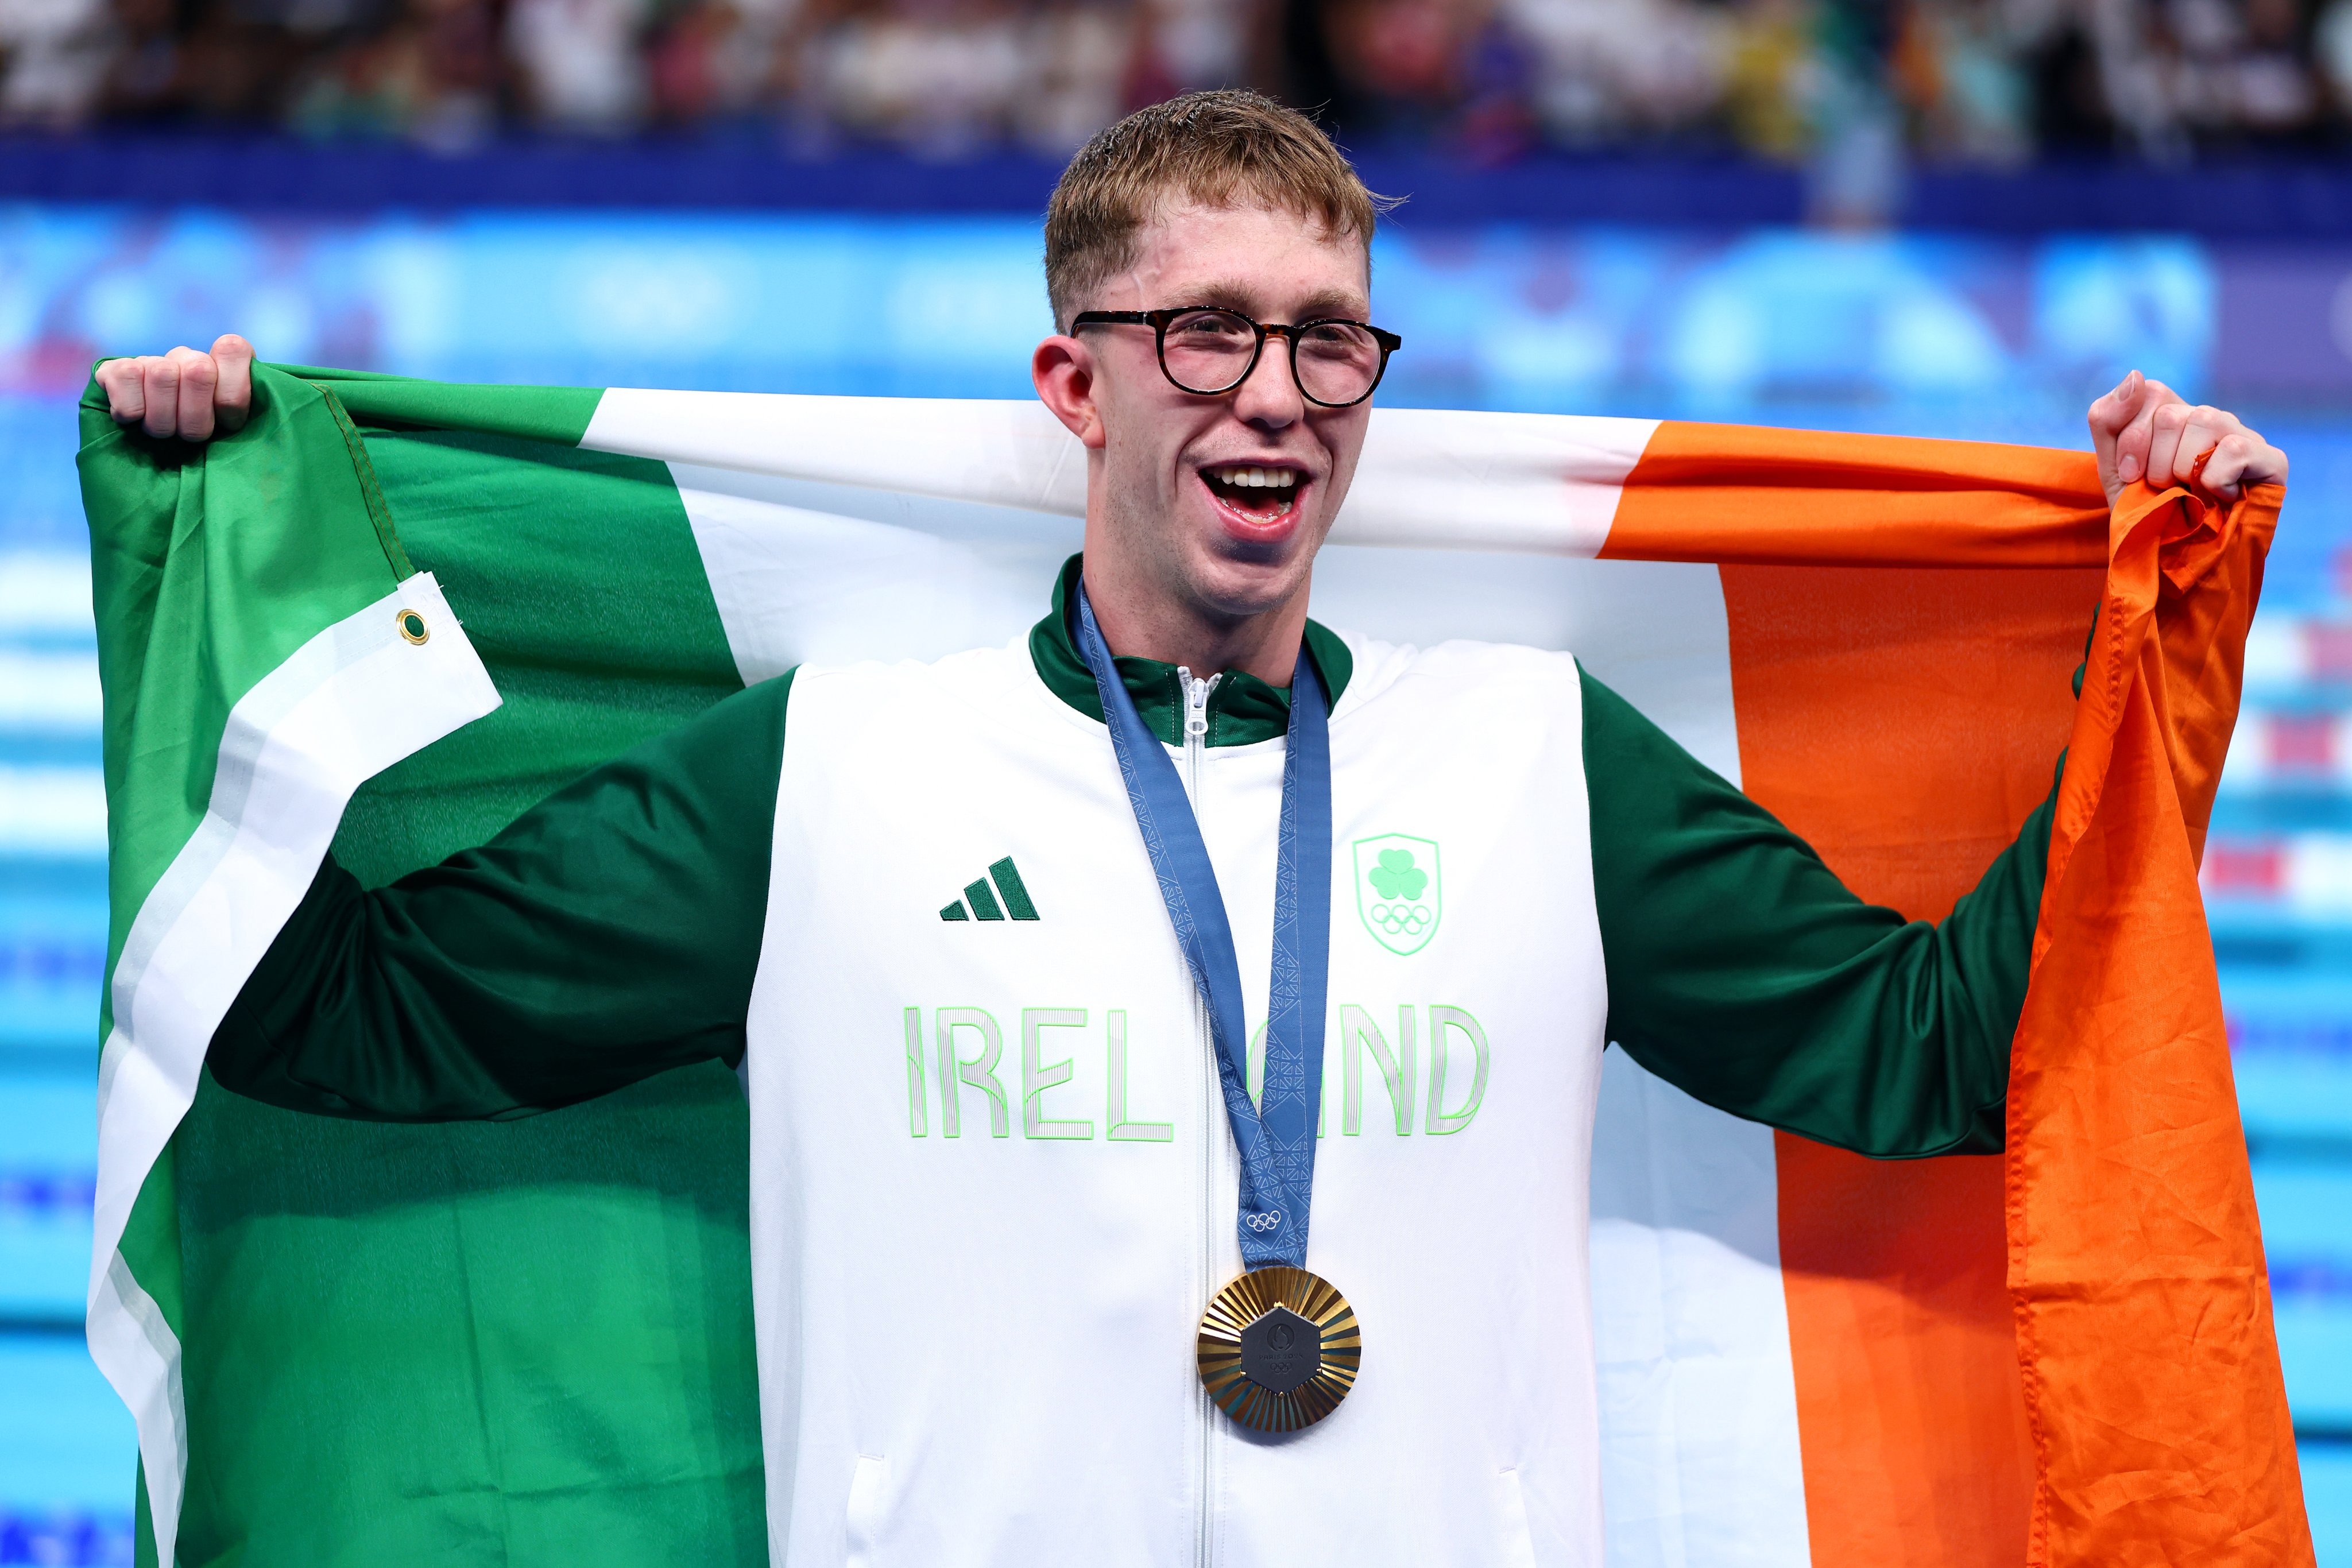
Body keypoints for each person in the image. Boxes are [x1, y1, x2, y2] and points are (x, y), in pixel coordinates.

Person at [98, 91, 2284, 1567]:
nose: (1276, 390)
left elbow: (1934, 1051)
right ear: (1080, 385)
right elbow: (350, 1015)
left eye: (1330, 340)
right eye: (1209, 329)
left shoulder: (1539, 755)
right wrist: (217, 558)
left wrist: (2150, 646)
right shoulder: (832, 765)